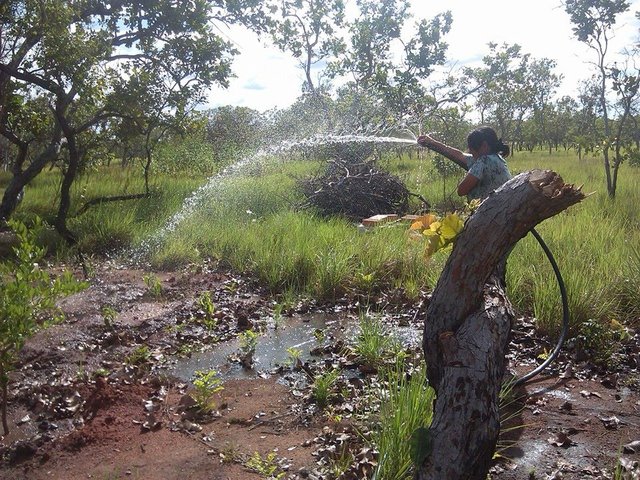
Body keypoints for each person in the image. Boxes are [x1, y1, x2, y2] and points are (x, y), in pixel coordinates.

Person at [417, 126, 511, 201]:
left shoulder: (483, 160)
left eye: (471, 148)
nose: (470, 151)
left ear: (484, 145)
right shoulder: (497, 159)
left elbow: (461, 190)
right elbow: (460, 155)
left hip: (488, 217)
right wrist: (432, 142)